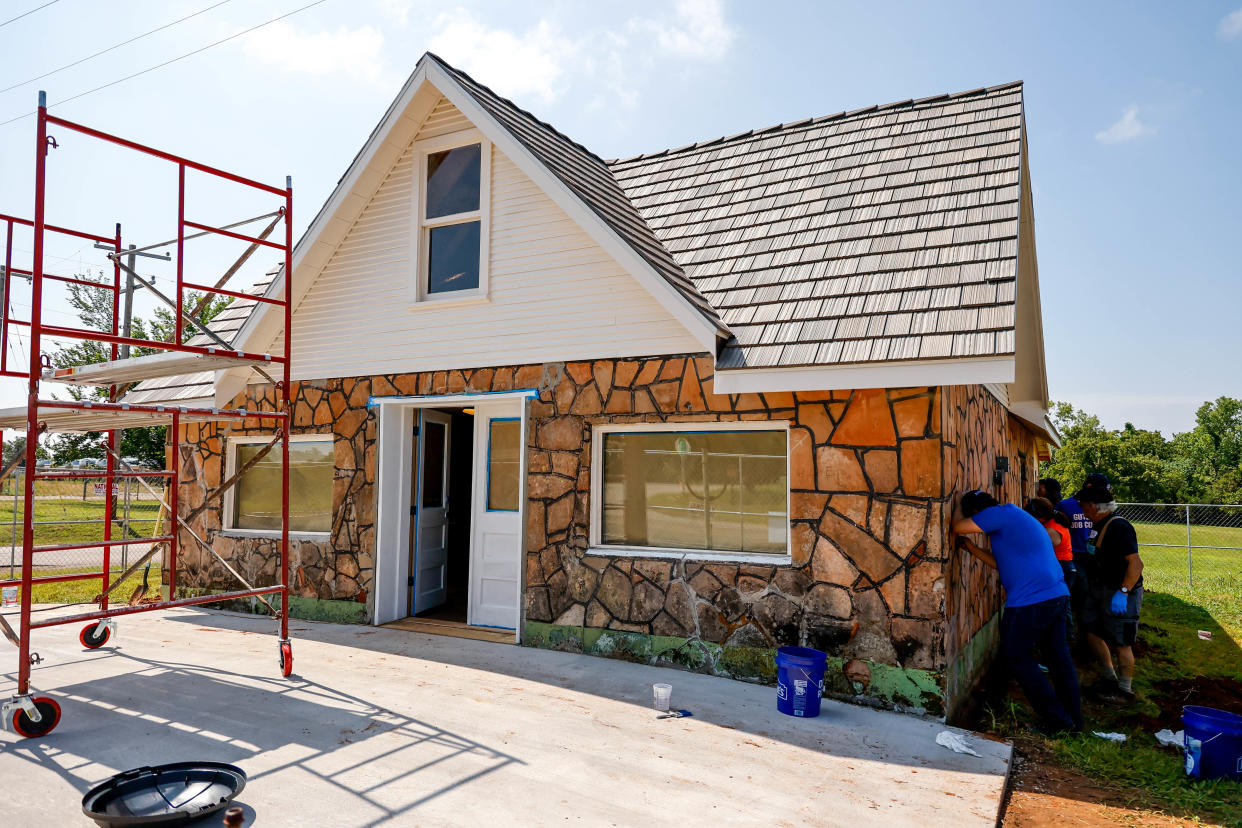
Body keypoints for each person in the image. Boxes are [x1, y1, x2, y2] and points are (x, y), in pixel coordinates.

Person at [954, 489, 1082, 733]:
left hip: (1030, 601)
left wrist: (956, 508)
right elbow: (1001, 564)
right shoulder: (1014, 517)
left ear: (976, 512)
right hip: (1055, 594)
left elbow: (958, 527)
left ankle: (1057, 720)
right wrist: (971, 548)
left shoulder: (997, 514)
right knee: (1058, 659)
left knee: (1017, 656)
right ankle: (1073, 719)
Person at [1077, 484, 1144, 703]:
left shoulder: (1118, 527)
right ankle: (1109, 678)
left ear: (1095, 506)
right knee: (1091, 631)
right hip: (1098, 589)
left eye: (1084, 506)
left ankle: (1124, 691)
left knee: (1122, 641)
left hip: (1120, 591)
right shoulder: (1098, 525)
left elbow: (1136, 564)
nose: (1082, 509)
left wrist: (1123, 592)